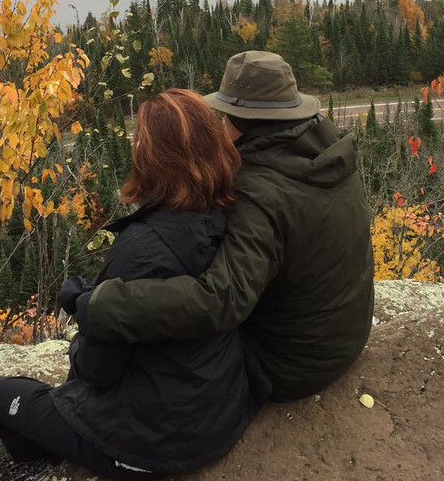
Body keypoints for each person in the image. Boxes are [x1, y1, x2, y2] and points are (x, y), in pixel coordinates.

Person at [0, 89, 270, 480]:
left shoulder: (140, 248)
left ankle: (47, 462)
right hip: (223, 411)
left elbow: (98, 372)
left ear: (150, 160)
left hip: (155, 445)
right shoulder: (235, 217)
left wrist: (83, 324)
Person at [74, 50, 374, 403]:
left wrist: (107, 305)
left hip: (288, 369)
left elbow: (221, 299)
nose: (221, 125)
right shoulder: (330, 152)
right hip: (347, 339)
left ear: (243, 123)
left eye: (226, 117)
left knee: (172, 348)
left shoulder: (259, 193)